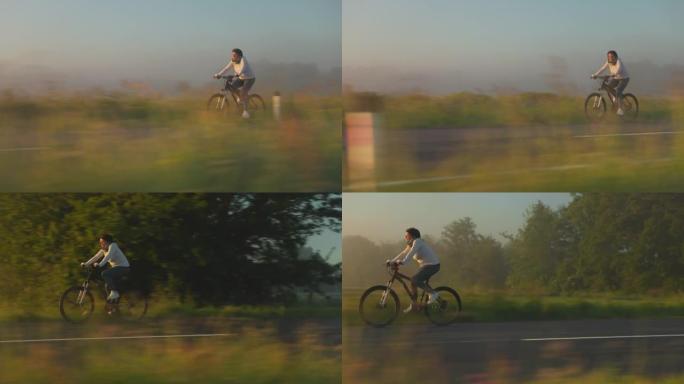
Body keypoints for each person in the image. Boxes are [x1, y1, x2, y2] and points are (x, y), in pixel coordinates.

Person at [390, 227, 441, 313]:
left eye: (406, 235)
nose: (405, 237)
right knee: (413, 281)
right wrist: (392, 261)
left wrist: (403, 262)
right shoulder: (412, 243)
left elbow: (411, 253)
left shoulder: (418, 242)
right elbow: (404, 253)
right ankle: (415, 305)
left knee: (415, 279)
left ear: (412, 236)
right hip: (425, 266)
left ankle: (433, 293)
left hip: (433, 265)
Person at [81, 233, 130, 301]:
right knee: (107, 286)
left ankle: (115, 293)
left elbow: (108, 256)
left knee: (105, 274)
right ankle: (112, 304)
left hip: (123, 268)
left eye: (103, 242)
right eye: (100, 243)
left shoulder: (113, 246)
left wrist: (100, 264)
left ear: (108, 242)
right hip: (116, 269)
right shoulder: (104, 250)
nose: (101, 244)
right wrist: (86, 264)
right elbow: (95, 257)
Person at [213, 48, 256, 119]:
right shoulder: (233, 61)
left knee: (243, 93)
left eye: (234, 55)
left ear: (239, 56)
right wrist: (218, 74)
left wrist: (237, 74)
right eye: (232, 55)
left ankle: (246, 112)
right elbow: (226, 68)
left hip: (249, 78)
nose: (232, 57)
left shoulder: (243, 60)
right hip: (241, 78)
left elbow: (243, 68)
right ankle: (241, 97)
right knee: (232, 87)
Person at [592, 50, 630, 116]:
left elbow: (619, 69)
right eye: (608, 56)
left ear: (615, 57)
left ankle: (620, 109)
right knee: (607, 87)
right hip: (616, 78)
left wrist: (614, 74)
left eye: (612, 56)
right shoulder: (608, 62)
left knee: (618, 90)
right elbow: (602, 69)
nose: (610, 58)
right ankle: (615, 100)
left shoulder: (618, 61)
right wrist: (595, 75)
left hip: (624, 78)